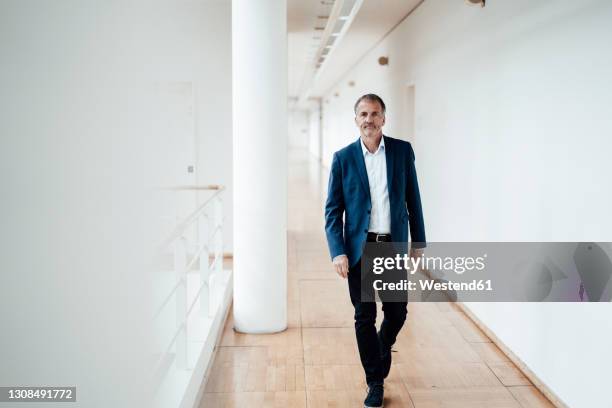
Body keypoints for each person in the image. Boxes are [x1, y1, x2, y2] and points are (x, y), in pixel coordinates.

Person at [324, 94, 426, 408]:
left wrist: (418, 242)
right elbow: (332, 211)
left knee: (397, 312)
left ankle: (383, 347)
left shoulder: (401, 151)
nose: (369, 119)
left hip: (392, 247)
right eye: (364, 114)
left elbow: (413, 199)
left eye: (375, 113)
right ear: (356, 120)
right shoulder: (343, 158)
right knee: (364, 316)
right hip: (360, 248)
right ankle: (375, 382)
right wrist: (338, 251)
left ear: (384, 118)